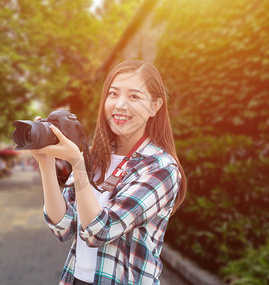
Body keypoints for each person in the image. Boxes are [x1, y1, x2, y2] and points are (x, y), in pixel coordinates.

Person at [30, 60, 187, 285]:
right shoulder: (94, 155)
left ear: (155, 106)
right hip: (75, 279)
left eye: (134, 97)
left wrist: (77, 162)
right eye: (113, 94)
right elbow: (63, 227)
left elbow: (101, 230)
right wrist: (45, 163)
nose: (120, 105)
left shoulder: (161, 168)